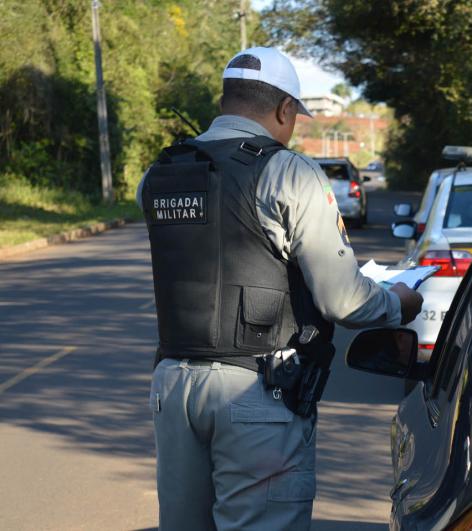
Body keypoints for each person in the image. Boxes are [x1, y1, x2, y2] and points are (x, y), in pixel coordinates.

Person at [136, 46, 423, 531]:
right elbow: (343, 300)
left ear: (227, 99)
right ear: (284, 109)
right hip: (257, 392)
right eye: (295, 117)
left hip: (173, 385)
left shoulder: (159, 175)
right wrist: (397, 302)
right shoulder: (289, 172)